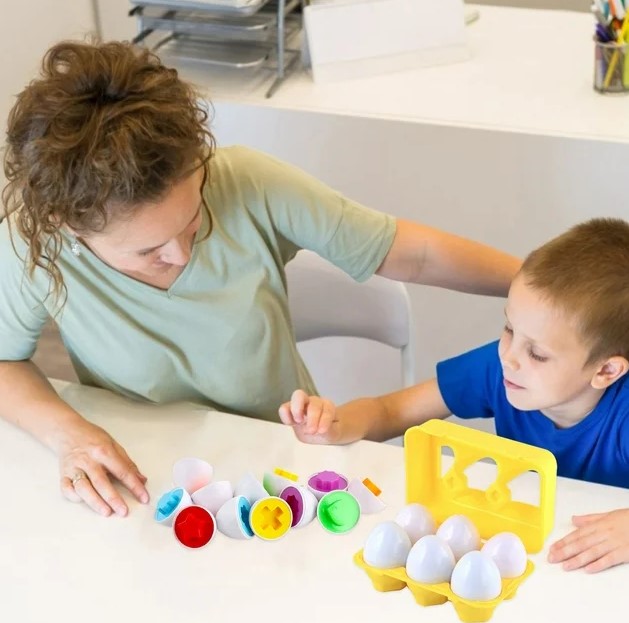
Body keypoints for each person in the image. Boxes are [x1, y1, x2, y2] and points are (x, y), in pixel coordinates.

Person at [0, 40, 519, 520]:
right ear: (68, 227)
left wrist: (538, 286)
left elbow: (415, 255)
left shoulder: (247, 181)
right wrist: (67, 433)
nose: (181, 254)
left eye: (193, 218)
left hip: (284, 466)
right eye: (148, 250)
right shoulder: (33, 239)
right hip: (148, 478)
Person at [279, 217, 629, 573]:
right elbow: (389, 411)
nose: (508, 357)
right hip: (525, 550)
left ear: (605, 371)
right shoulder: (500, 368)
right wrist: (334, 425)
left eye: (536, 353)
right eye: (509, 328)